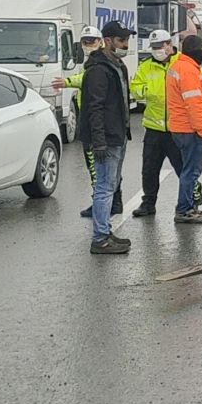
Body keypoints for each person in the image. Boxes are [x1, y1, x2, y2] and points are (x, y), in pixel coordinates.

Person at [128, 30, 202, 218]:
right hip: (154, 127)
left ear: (170, 45)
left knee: (184, 168)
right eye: (154, 47)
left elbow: (201, 90)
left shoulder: (182, 63)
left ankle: (193, 199)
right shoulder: (146, 66)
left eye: (160, 46)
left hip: (176, 128)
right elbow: (136, 88)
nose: (157, 50)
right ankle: (148, 203)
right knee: (149, 168)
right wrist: (149, 91)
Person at [53, 26, 123, 220]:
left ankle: (103, 214)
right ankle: (111, 204)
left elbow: (87, 81)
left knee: (101, 174)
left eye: (91, 41)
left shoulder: (99, 64)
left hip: (99, 128)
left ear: (101, 41)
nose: (88, 45)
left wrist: (66, 82)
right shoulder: (96, 62)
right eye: (85, 41)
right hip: (97, 126)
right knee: (106, 173)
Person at [82, 21, 137, 254]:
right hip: (107, 138)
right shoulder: (98, 69)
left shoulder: (117, 65)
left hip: (118, 134)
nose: (125, 44)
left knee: (111, 185)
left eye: (126, 40)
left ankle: (105, 231)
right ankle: (100, 238)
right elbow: (94, 107)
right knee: (104, 187)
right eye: (121, 40)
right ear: (107, 41)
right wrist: (99, 141)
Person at [166, 35, 202, 224]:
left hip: (182, 127)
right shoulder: (188, 70)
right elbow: (193, 103)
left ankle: (188, 206)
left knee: (189, 170)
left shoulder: (183, 66)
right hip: (190, 129)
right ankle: (185, 209)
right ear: (197, 50)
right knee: (191, 171)